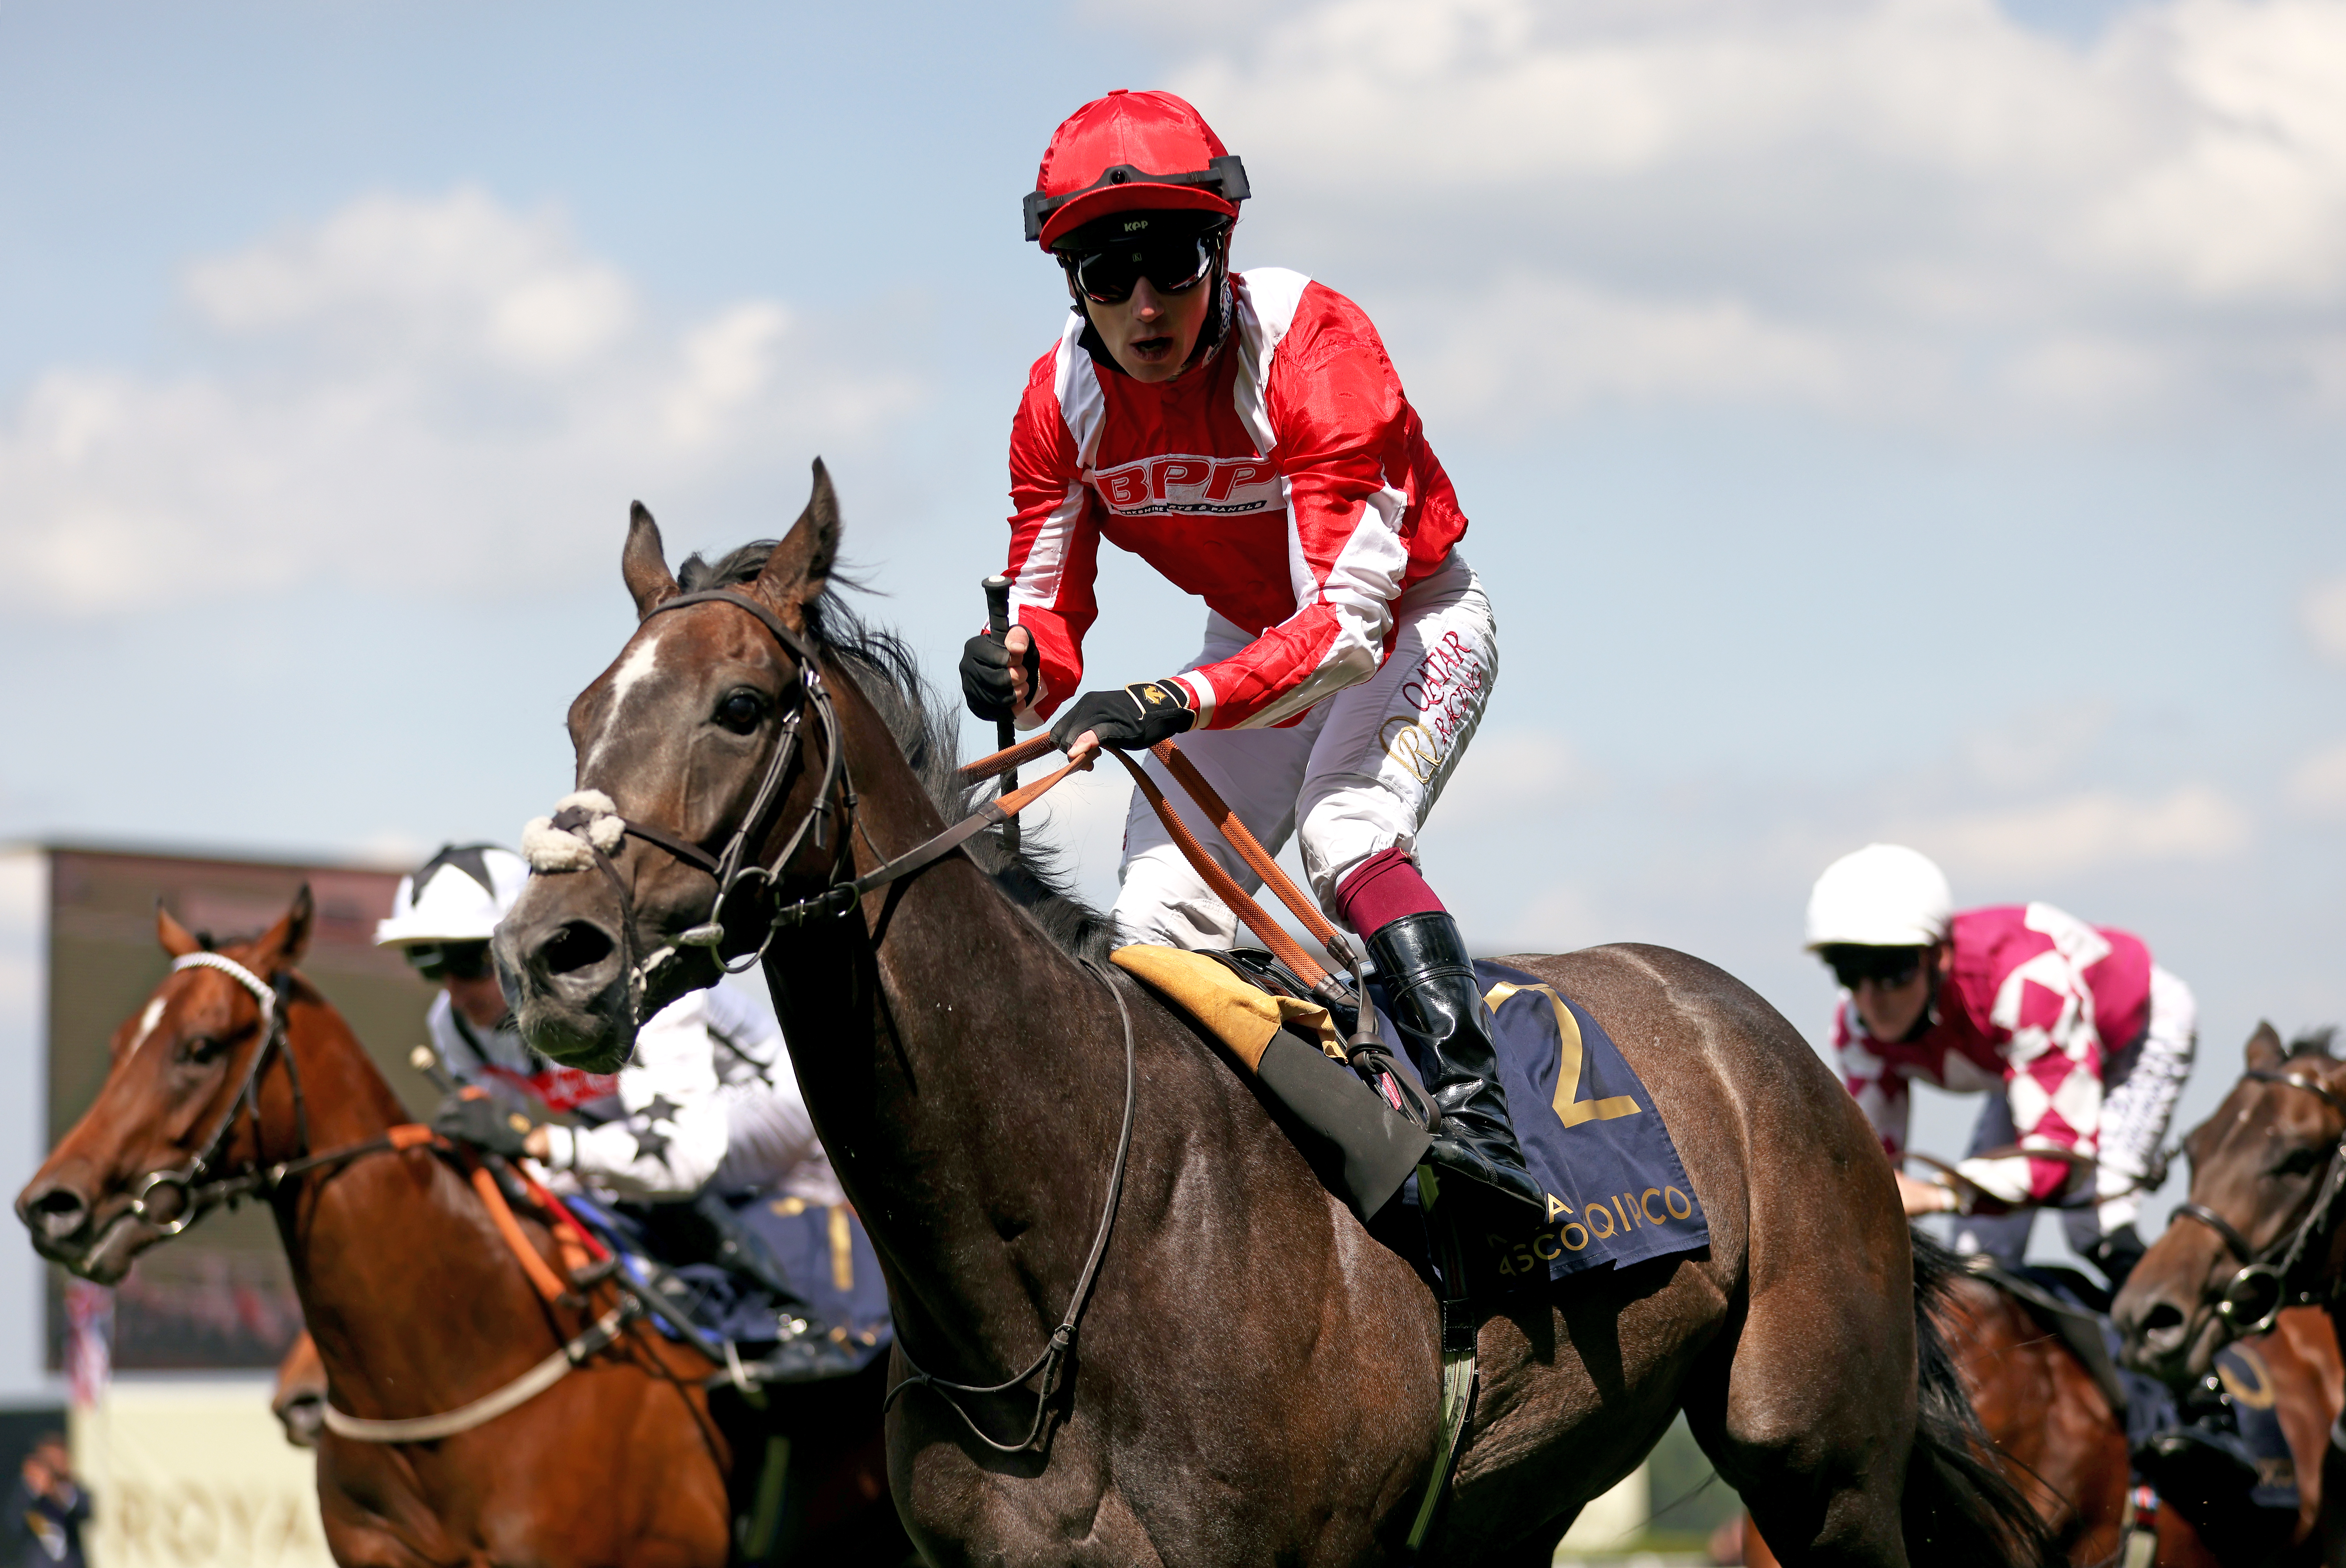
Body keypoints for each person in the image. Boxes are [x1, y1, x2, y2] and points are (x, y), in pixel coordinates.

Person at [959, 89, 1540, 1219]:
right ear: (1068, 282)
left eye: (1170, 262)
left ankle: (1480, 1121)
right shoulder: (1054, 405)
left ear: (1218, 250)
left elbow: (1343, 630)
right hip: (1252, 645)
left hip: (1406, 617)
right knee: (1157, 916)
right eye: (1103, 274)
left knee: (1345, 827)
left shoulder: (1314, 343)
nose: (1141, 303)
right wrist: (1015, 666)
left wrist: (1172, 697)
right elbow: (1043, 616)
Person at [1804, 843, 2197, 1286]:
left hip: (2133, 1036)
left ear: (1939, 957)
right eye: (1847, 972)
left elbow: (2060, 1161)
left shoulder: (2025, 984)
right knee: (1979, 1251)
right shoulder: (1856, 1027)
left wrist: (1938, 1194)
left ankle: (2175, 1349)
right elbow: (1877, 1174)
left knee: (2092, 1222)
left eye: (1892, 970)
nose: (1872, 998)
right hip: (2031, 1063)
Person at [4, 1434, 90, 1568]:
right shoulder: (26, 1494)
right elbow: (14, 1524)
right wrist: (35, 1487)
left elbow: (87, 1511)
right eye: (52, 1460)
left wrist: (55, 1491)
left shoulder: (71, 1489)